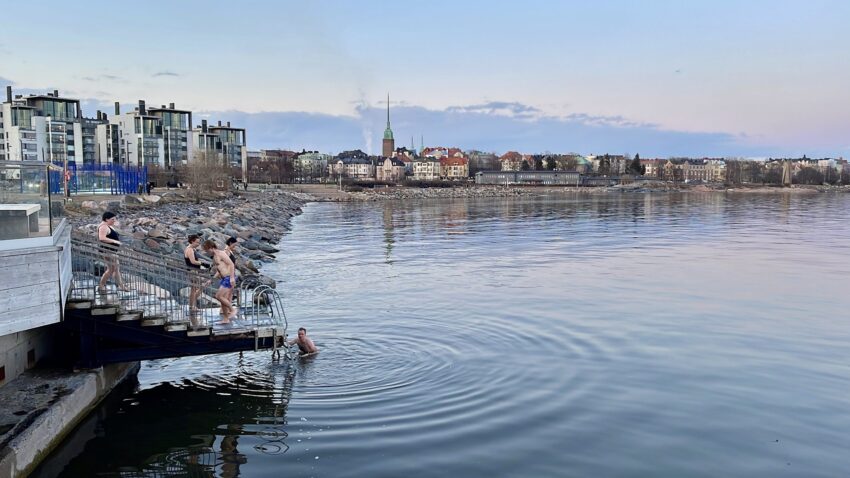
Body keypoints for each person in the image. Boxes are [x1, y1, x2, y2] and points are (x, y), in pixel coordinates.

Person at [202, 239, 237, 323]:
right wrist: (211, 280)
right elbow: (219, 270)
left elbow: (231, 264)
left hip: (229, 277)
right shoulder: (214, 256)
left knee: (218, 296)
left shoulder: (221, 253)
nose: (207, 252)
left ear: (211, 247)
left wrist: (232, 278)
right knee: (222, 300)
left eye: (207, 250)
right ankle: (226, 319)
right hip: (224, 278)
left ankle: (233, 310)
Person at [97, 211, 129, 292]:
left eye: (114, 219)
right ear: (106, 219)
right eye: (112, 219)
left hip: (112, 251)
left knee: (115, 269)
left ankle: (120, 285)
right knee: (111, 269)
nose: (114, 221)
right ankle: (101, 285)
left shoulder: (108, 225)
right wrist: (115, 242)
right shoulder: (103, 227)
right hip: (108, 251)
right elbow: (102, 238)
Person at [184, 234, 206, 320]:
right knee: (197, 288)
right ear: (192, 241)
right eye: (197, 242)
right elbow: (193, 261)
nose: (198, 244)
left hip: (194, 271)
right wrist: (203, 263)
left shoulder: (192, 249)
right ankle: (191, 306)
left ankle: (192, 306)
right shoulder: (189, 250)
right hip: (192, 271)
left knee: (195, 288)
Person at [225, 237, 241, 308]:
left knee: (230, 293)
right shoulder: (226, 252)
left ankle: (228, 308)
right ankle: (226, 309)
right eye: (234, 245)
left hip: (232, 274)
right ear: (230, 243)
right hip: (228, 275)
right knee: (227, 293)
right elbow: (225, 264)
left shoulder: (230, 251)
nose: (235, 247)